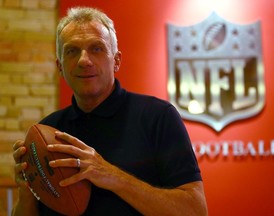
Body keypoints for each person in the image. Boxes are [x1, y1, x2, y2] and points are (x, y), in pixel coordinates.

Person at [12, 6, 208, 216]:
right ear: (60, 66)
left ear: (116, 61)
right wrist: (27, 190)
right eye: (72, 51)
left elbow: (195, 211)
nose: (84, 60)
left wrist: (111, 176)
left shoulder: (158, 117)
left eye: (96, 48)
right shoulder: (48, 130)